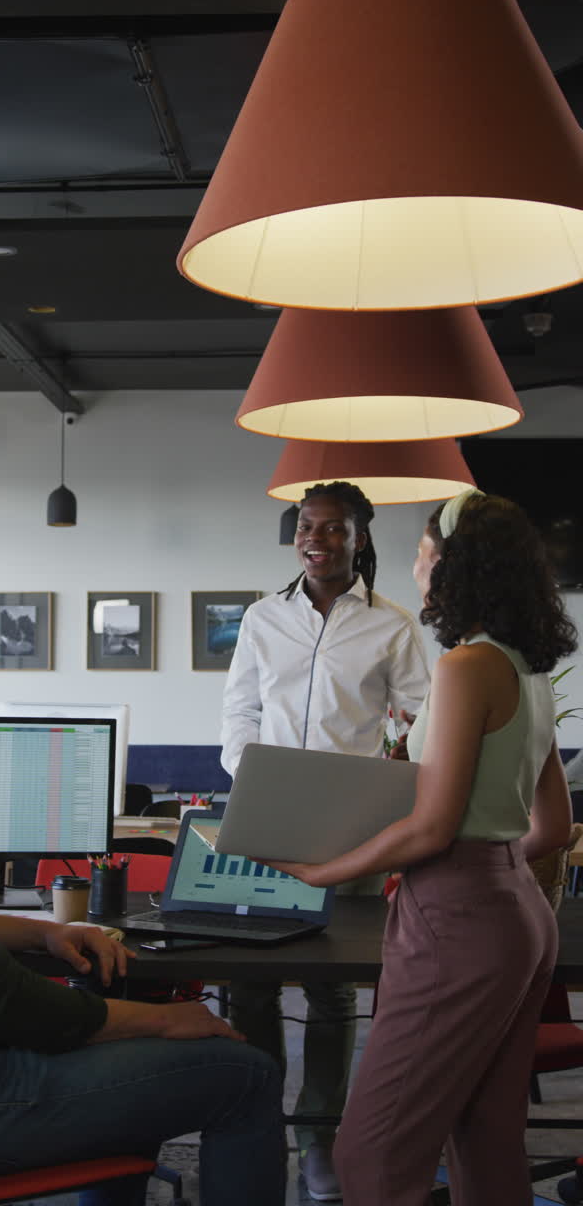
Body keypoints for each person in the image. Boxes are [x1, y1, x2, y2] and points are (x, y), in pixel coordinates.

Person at [0, 592, 287, 1206]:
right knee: (245, 1074)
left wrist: (42, 933)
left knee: (140, 1062)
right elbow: (8, 1007)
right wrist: (166, 1019)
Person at [263, 489, 577, 1206]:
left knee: (370, 1152)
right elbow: (552, 828)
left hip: (458, 914)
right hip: (520, 916)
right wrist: (493, 869)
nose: (413, 562)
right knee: (487, 1139)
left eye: (423, 549)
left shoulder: (468, 667)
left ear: (453, 565)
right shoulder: (525, 667)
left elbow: (433, 828)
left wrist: (321, 870)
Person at [220, 481, 429, 1201]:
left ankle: (319, 1140)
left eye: (333, 529)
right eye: (306, 527)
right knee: (246, 985)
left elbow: (421, 717)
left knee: (334, 991)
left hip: (352, 824)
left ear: (360, 539)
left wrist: (401, 758)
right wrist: (251, 770)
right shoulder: (261, 618)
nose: (316, 539)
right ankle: (255, 1124)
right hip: (267, 816)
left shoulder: (392, 626)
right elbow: (239, 708)